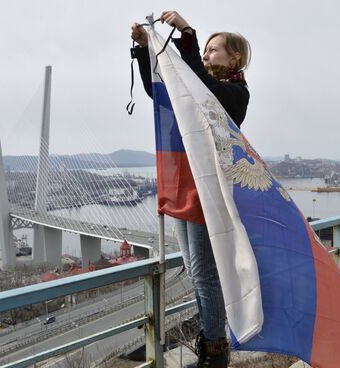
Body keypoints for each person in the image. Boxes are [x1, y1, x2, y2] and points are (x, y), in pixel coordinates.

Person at [131, 10, 250, 368]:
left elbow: (203, 84)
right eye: (206, 48)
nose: (206, 54)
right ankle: (211, 343)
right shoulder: (194, 88)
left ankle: (215, 350)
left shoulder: (234, 93)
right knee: (193, 269)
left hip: (204, 187)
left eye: (214, 49)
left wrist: (186, 31)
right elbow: (159, 92)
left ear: (235, 58)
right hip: (181, 183)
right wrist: (143, 51)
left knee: (203, 273)